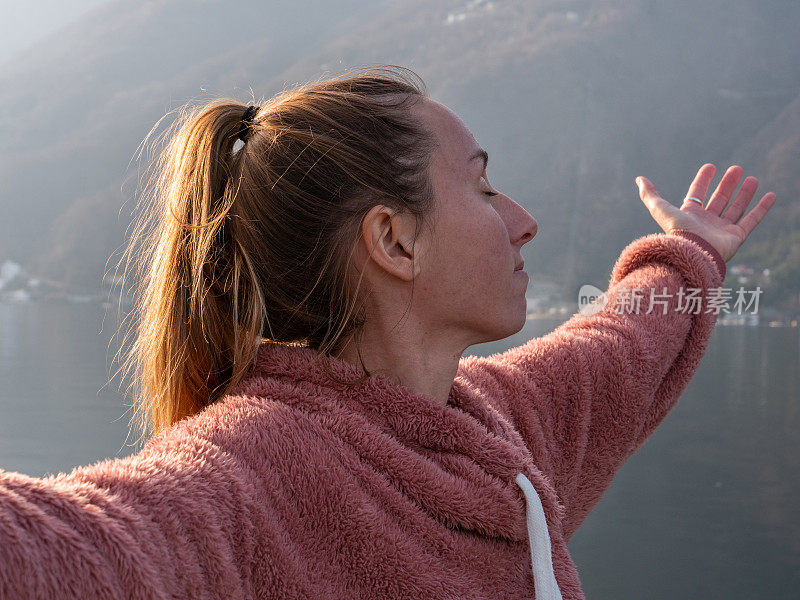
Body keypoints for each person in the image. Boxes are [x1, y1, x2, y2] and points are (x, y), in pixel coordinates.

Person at [0, 65, 776, 600]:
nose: (524, 222)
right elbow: (76, 544)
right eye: (482, 185)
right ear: (394, 241)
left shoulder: (500, 428)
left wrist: (691, 255)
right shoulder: (244, 480)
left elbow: (617, 353)